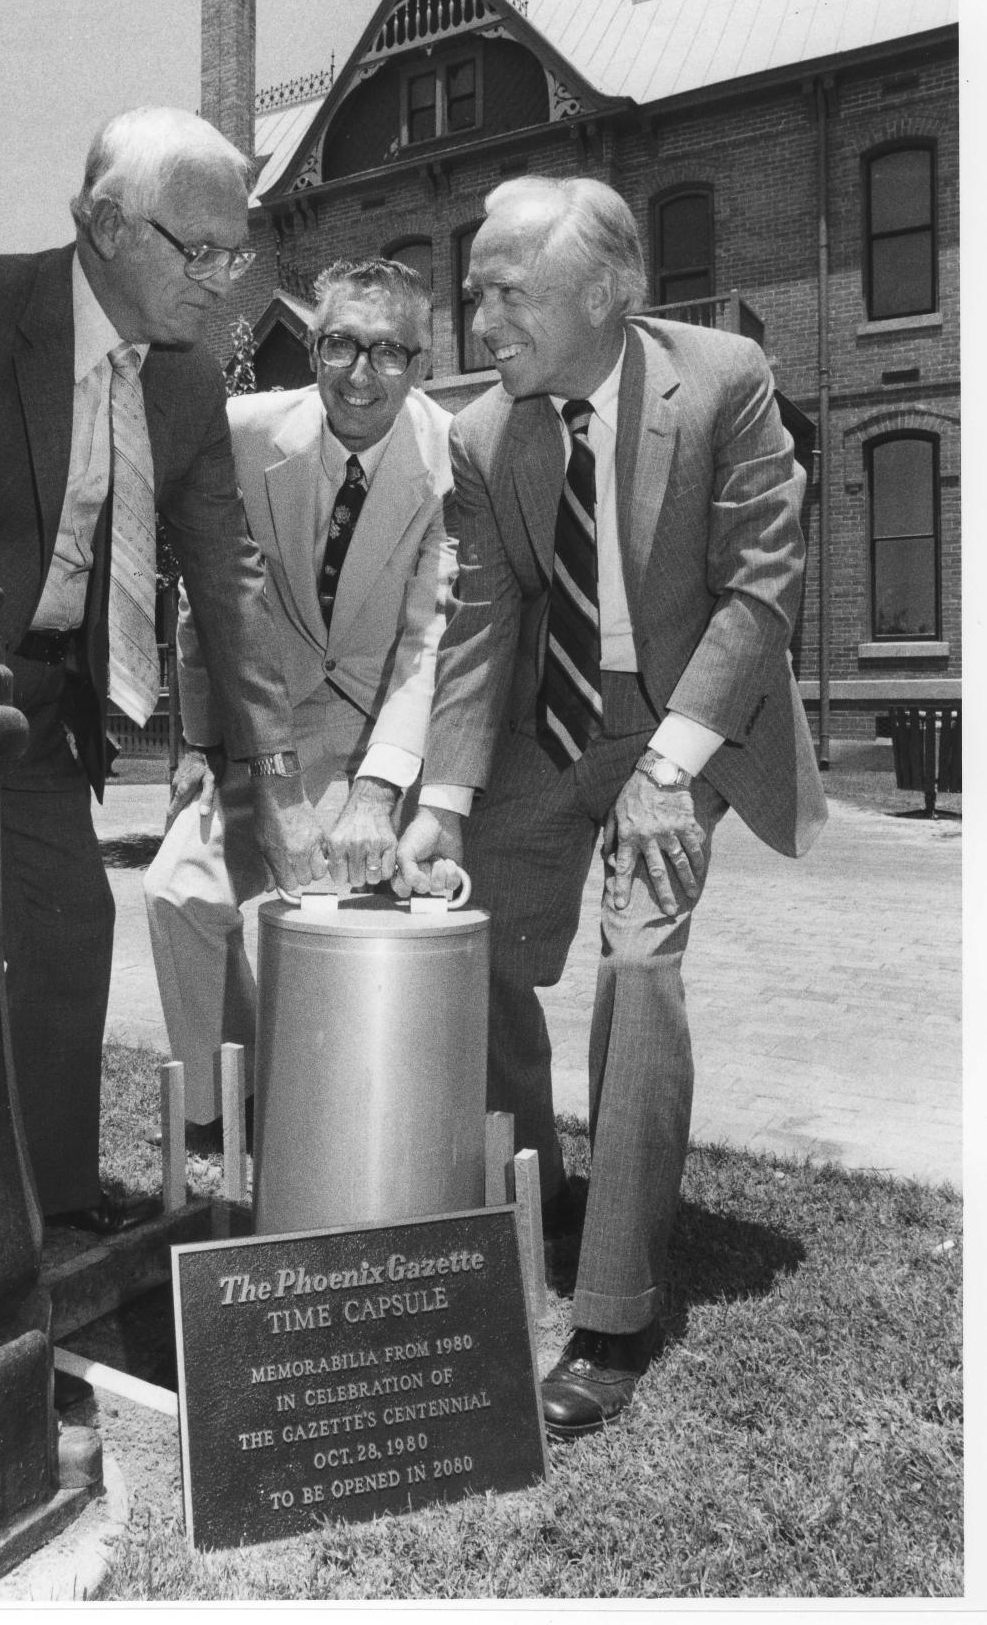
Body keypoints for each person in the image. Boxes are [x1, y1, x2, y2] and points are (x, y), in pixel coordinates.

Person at [0, 106, 329, 1231]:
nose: (228, 284)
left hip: (44, 707)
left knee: (70, 927)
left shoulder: (182, 382)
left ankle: (59, 1217)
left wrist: (280, 789)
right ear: (105, 224)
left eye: (241, 254)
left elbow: (227, 579)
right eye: (204, 251)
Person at [395, 175, 826, 1439]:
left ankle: (614, 1310)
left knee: (639, 974)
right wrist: (445, 800)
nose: (479, 323)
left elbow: (761, 592)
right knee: (458, 925)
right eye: (475, 292)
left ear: (609, 291)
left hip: (685, 717)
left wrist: (670, 764)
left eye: (505, 293)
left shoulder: (727, 377)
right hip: (551, 726)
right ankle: (542, 1191)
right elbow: (480, 627)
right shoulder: (482, 436)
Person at [144, 258, 455, 1135]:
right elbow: (206, 599)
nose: (361, 375)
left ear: (421, 363)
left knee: (325, 904)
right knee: (178, 892)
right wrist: (202, 747)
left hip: (374, 732)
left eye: (389, 351)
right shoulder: (241, 431)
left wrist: (378, 788)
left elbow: (429, 642)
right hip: (265, 730)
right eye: (342, 345)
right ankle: (222, 1112)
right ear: (313, 347)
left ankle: (335, 1119)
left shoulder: (452, 459)